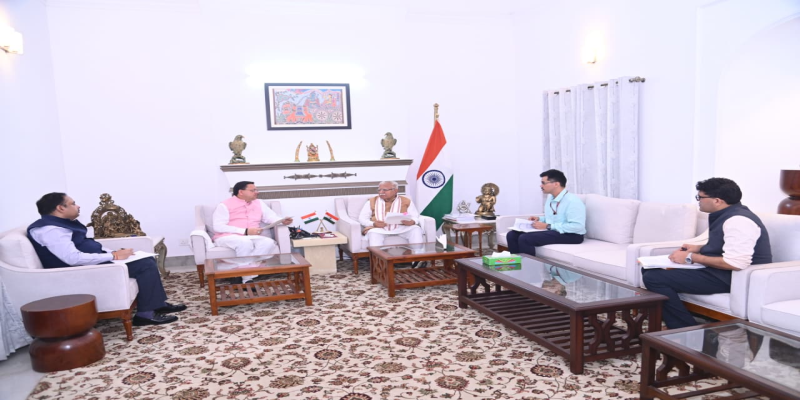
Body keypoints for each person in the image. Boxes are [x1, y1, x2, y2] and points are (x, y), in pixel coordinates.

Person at [27, 193, 186, 326]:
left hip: (91, 265)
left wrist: (115, 252)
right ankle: (145, 314)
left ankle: (156, 304)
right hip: (77, 272)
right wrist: (114, 256)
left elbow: (86, 245)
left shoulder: (61, 225)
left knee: (147, 259)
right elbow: (72, 258)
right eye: (73, 203)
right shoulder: (50, 230)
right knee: (144, 265)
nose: (78, 206)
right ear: (60, 208)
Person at [642, 177, 772, 329]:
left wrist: (690, 257)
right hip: (720, 272)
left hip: (734, 278)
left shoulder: (738, 221)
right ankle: (680, 321)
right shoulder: (727, 214)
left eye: (700, 197)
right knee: (648, 269)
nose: (698, 201)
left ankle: (685, 329)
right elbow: (726, 245)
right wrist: (698, 248)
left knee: (654, 278)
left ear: (717, 201)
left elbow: (735, 263)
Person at [212, 181, 293, 283]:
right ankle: (247, 278)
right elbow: (218, 226)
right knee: (244, 243)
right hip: (228, 236)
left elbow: (270, 217)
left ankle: (234, 269)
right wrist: (245, 231)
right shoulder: (224, 205)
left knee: (268, 243)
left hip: (252, 236)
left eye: (256, 190)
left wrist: (282, 221)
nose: (257, 192)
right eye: (253, 190)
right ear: (241, 192)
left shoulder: (259, 203)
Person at [506, 169, 586, 256]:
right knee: (512, 235)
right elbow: (554, 218)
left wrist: (548, 226)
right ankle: (517, 263)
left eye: (543, 183)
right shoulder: (550, 198)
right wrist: (540, 219)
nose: (541, 185)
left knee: (525, 238)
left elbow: (577, 226)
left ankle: (529, 264)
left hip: (572, 235)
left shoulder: (573, 201)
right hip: (556, 230)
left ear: (556, 184)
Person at [358, 181, 423, 246]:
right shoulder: (371, 201)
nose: (381, 192)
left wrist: (412, 222)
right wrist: (373, 224)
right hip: (379, 229)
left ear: (395, 190)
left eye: (385, 190)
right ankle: (377, 253)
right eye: (379, 190)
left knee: (415, 229)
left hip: (401, 227)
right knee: (373, 233)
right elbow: (362, 218)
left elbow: (415, 216)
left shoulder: (406, 201)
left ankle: (418, 252)